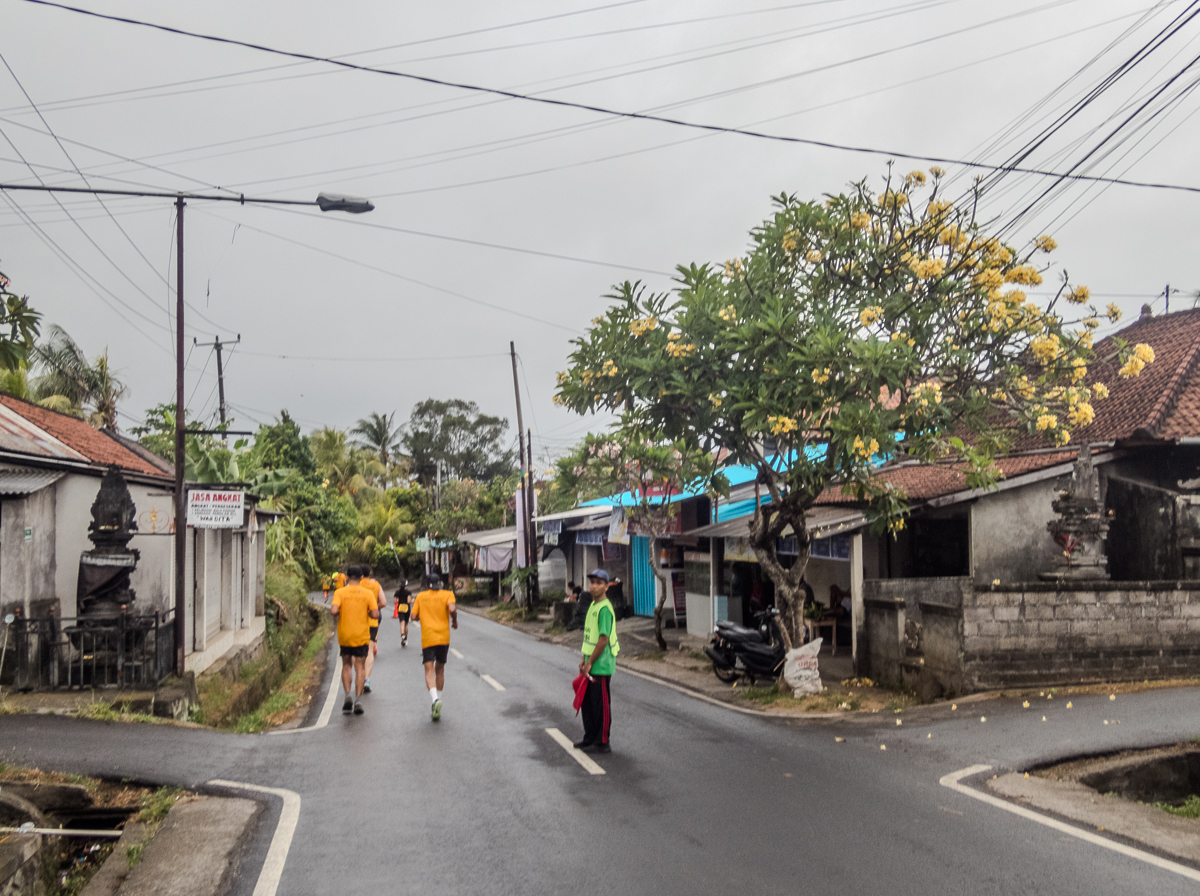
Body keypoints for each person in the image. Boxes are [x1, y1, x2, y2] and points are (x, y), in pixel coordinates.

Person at [575, 569, 620, 754]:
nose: (593, 586)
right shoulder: (593, 606)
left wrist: (590, 662)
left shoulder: (604, 609)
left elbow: (603, 639)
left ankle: (602, 741)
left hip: (600, 665)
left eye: (598, 582)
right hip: (590, 663)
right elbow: (589, 638)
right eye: (592, 582)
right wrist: (583, 659)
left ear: (607, 586)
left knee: (600, 705)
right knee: (588, 703)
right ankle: (589, 738)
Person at [330, 564, 380, 715]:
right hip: (361, 636)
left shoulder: (340, 592)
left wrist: (340, 612)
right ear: (361, 578)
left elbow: (333, 610)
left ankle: (347, 696)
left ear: (347, 576)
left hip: (345, 635)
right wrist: (367, 614)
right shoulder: (367, 593)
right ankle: (357, 700)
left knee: (346, 665)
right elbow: (375, 614)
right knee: (360, 667)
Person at [411, 573, 458, 721]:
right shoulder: (448, 594)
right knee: (440, 669)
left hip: (428, 638)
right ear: (440, 584)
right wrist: (454, 620)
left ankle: (434, 700)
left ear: (426, 585)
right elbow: (452, 609)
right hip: (443, 637)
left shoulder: (421, 596)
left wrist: (421, 616)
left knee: (429, 670)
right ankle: (439, 699)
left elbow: (413, 617)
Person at [360, 566, 386, 693]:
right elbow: (384, 602)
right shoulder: (376, 584)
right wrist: (375, 608)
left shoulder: (354, 585)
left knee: (358, 651)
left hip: (357, 622)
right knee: (370, 650)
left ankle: (359, 678)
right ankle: (367, 679)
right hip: (372, 621)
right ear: (369, 573)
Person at [393, 579, 412, 647]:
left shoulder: (397, 592)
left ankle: (402, 634)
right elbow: (408, 601)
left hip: (400, 607)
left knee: (402, 623)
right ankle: (405, 639)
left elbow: (395, 602)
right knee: (406, 624)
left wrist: (399, 601)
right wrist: (412, 600)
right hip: (406, 608)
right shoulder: (408, 592)